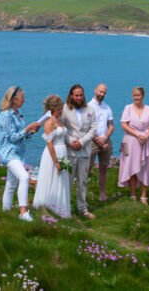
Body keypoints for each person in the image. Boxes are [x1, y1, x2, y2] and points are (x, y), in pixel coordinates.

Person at [0, 85, 43, 221]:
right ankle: (23, 212)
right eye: (22, 98)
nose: (24, 100)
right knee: (24, 177)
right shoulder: (6, 115)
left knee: (11, 184)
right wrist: (27, 128)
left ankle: (6, 213)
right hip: (9, 154)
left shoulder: (17, 113)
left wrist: (31, 131)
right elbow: (11, 137)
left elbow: (20, 136)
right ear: (14, 99)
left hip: (17, 153)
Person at [61, 83, 98, 219]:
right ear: (71, 95)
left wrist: (81, 142)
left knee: (83, 181)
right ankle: (66, 208)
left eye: (81, 95)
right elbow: (61, 128)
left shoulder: (90, 109)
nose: (79, 97)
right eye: (76, 95)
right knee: (68, 181)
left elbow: (93, 128)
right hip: (70, 151)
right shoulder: (64, 109)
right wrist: (71, 141)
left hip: (84, 150)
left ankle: (82, 208)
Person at [32, 95, 71, 217]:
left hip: (63, 151)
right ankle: (48, 206)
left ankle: (61, 209)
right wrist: (56, 162)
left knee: (61, 181)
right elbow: (49, 144)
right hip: (52, 154)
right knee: (51, 178)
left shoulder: (60, 120)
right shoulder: (49, 123)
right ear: (54, 109)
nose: (61, 110)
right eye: (59, 108)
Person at [117, 86, 149, 203]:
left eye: (138, 95)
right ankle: (133, 194)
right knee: (130, 166)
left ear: (143, 96)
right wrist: (137, 134)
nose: (136, 97)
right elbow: (124, 124)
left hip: (146, 142)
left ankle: (144, 195)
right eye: (134, 95)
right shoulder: (127, 108)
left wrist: (146, 135)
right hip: (129, 142)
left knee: (146, 168)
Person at [87, 83, 115, 202]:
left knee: (103, 168)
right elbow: (87, 126)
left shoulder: (107, 107)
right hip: (92, 141)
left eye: (104, 92)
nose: (102, 94)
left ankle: (102, 193)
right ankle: (83, 194)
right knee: (87, 168)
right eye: (100, 91)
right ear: (95, 90)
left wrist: (105, 137)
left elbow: (111, 126)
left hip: (105, 140)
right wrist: (98, 139)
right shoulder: (88, 107)